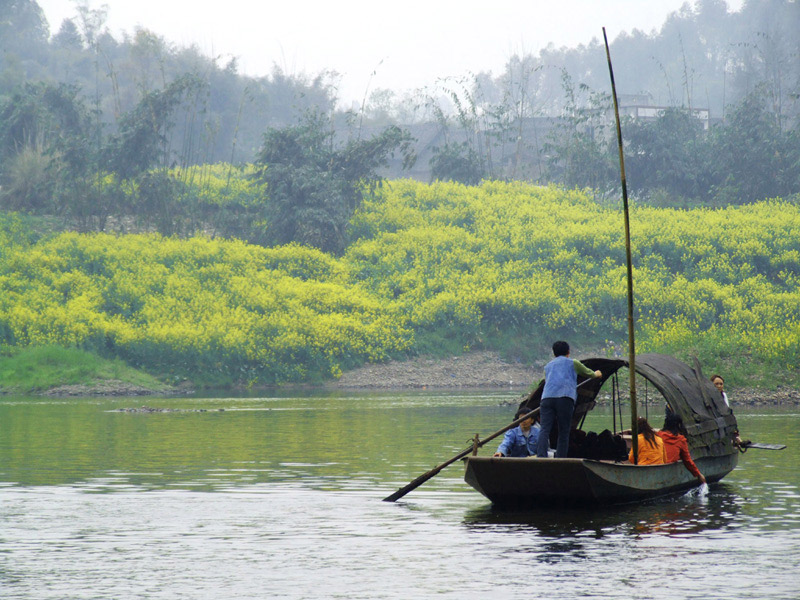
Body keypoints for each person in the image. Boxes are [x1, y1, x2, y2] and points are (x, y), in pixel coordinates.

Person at [535, 341, 602, 458]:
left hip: (546, 399)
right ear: (568, 352)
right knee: (564, 431)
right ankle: (561, 458)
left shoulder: (548, 366)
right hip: (564, 398)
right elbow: (589, 374)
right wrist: (597, 373)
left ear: (554, 353)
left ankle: (541, 456)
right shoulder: (573, 363)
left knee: (544, 429)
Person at [657, 412, 706, 484]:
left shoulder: (657, 435)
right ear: (679, 425)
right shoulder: (681, 440)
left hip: (655, 464)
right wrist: (698, 475)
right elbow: (687, 460)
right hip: (666, 467)